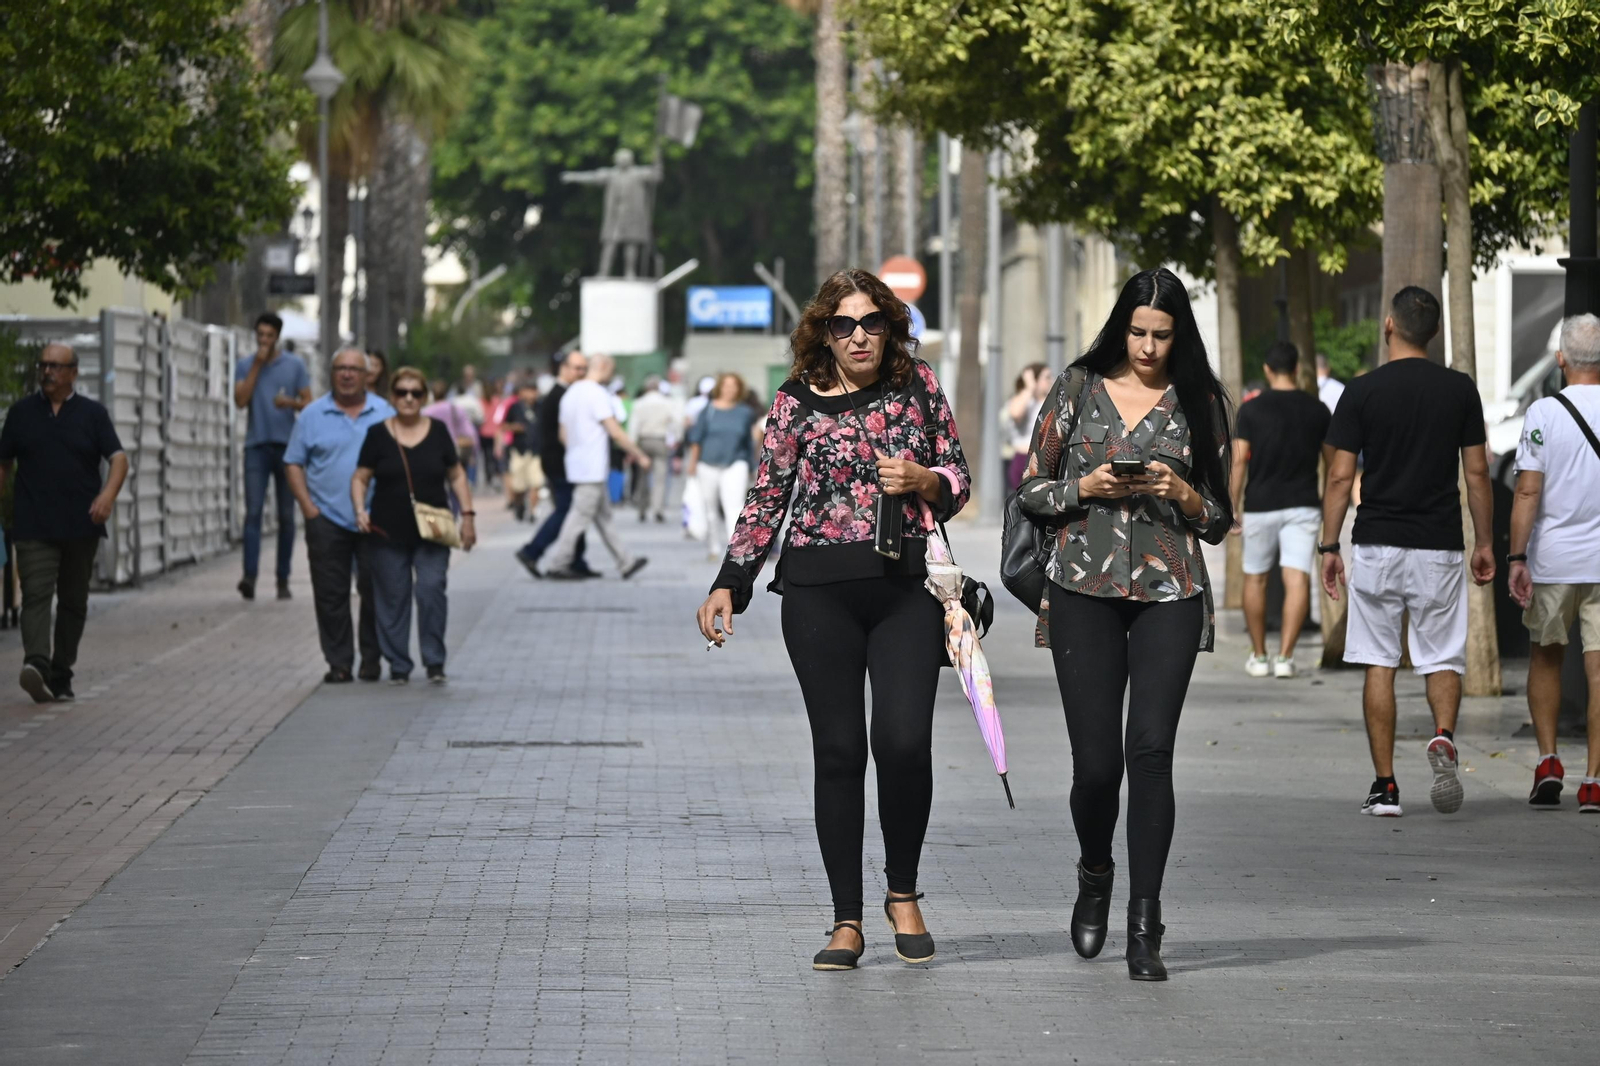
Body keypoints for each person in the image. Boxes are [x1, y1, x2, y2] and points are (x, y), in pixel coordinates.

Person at [696, 269, 971, 973]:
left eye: (871, 322)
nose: (858, 336)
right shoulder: (794, 402)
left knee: (905, 742)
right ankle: (846, 918)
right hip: (819, 594)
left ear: (890, 326)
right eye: (843, 324)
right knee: (841, 752)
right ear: (824, 330)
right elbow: (767, 495)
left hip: (905, 588)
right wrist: (732, 580)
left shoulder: (920, 387)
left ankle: (902, 891)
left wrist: (925, 481)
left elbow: (960, 478)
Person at [1017, 267, 1233, 982]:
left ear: (1180, 335)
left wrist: (1182, 492)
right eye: (1137, 331)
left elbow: (1222, 517)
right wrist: (1085, 486)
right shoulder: (1076, 388)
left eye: (1161, 335)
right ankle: (1094, 871)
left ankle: (1146, 923)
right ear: (1122, 326)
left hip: (1170, 591)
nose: (1147, 346)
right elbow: (1031, 490)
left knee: (1151, 753)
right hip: (1082, 588)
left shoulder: (1201, 401)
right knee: (1096, 766)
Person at [1320, 286, 1495, 819]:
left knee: (1379, 659)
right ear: (1434, 333)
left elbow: (1340, 475)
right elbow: (1478, 472)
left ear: (1389, 326)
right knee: (1440, 654)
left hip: (1376, 542)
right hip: (1438, 543)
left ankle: (1386, 787)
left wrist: (1330, 544)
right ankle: (1442, 734)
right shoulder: (1459, 390)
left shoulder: (1362, 390)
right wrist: (1485, 540)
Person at [1507, 313, 1600, 812]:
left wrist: (1517, 556)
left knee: (1545, 655)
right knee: (1599, 669)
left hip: (1554, 561)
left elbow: (1526, 490)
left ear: (1561, 359)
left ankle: (1548, 761)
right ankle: (1594, 779)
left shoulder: (1544, 412)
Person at [0, 343, 128, 703]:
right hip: (33, 523)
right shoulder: (21, 414)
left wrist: (107, 497)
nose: (48, 372)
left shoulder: (92, 414)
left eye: (56, 366)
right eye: (44, 365)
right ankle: (36, 664)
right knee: (36, 595)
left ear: (74, 372)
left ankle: (61, 672)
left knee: (73, 601)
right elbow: (3, 463)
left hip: (80, 524)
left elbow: (119, 460)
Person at [351, 367, 476, 684]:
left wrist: (469, 517)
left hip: (433, 531)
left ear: (424, 397)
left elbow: (457, 474)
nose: (408, 398)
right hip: (386, 532)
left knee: (431, 589)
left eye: (415, 393)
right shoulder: (378, 434)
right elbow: (360, 476)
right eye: (402, 392)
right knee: (393, 598)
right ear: (392, 397)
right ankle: (399, 665)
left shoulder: (437, 431)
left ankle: (434, 661)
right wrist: (359, 509)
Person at [284, 348, 396, 684]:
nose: (347, 375)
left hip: (375, 519)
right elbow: (293, 462)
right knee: (330, 594)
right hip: (327, 519)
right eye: (340, 369)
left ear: (367, 375)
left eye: (354, 369)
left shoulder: (384, 412)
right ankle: (340, 662)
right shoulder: (312, 415)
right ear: (332, 374)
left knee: (375, 591)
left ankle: (371, 660)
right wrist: (309, 509)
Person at [1229, 341, 1331, 678]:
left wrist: (1232, 503)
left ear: (1268, 371)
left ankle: (1259, 656)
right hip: (1303, 503)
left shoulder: (1251, 409)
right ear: (1298, 368)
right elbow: (1333, 466)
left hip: (1260, 504)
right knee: (1297, 577)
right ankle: (1286, 658)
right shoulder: (1317, 410)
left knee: (1255, 578)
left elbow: (1240, 462)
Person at [541, 355, 651, 580]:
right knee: (578, 517)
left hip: (578, 464)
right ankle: (558, 563)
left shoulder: (570, 393)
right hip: (591, 468)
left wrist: (577, 451)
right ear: (603, 367)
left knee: (603, 517)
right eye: (611, 368)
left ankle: (625, 562)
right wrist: (639, 455)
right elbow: (615, 431)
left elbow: (563, 434)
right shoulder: (597, 394)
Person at [232, 312, 311, 601]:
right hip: (256, 446)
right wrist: (256, 364)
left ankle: (282, 579)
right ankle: (249, 577)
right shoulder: (245, 364)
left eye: (269, 336)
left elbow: (309, 403)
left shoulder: (295, 365)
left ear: (277, 336)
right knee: (252, 513)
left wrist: (289, 402)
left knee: (286, 517)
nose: (264, 341)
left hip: (288, 450)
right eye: (260, 336)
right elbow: (240, 401)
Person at [515, 353, 593, 578]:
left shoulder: (564, 393)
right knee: (567, 511)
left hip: (562, 463)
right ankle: (532, 551)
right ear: (564, 368)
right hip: (559, 464)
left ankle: (576, 559)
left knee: (575, 511)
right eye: (577, 368)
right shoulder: (561, 395)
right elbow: (564, 434)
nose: (581, 373)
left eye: (584, 369)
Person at [685, 373, 759, 557]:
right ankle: (713, 547)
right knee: (710, 507)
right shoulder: (708, 410)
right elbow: (697, 439)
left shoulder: (744, 412)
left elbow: (748, 442)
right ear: (720, 387)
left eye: (734, 385)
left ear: (739, 389)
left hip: (735, 462)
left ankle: (733, 548)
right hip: (707, 464)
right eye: (726, 385)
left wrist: (751, 467)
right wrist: (692, 463)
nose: (730, 389)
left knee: (733, 506)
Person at [629, 378, 677, 522]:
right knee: (660, 478)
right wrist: (674, 439)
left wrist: (632, 446)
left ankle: (642, 508)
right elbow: (675, 422)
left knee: (642, 476)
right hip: (660, 439)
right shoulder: (667, 402)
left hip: (643, 440)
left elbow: (633, 425)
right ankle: (658, 509)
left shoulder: (639, 403)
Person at [503, 380, 543, 521]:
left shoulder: (540, 407)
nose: (531, 394)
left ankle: (533, 511)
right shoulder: (514, 407)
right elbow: (504, 425)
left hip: (536, 451)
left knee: (536, 482)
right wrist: (516, 427)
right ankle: (519, 504)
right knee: (518, 485)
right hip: (519, 450)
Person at [1003, 363, 1045, 491]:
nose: (1051, 380)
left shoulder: (1046, 401)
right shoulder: (1024, 399)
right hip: (1023, 459)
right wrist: (1030, 387)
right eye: (1047, 377)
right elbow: (1015, 413)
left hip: (1042, 460)